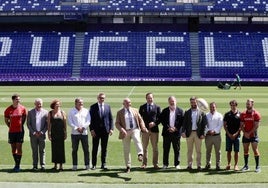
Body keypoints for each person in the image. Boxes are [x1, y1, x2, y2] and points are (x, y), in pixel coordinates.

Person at [115, 98, 148, 173]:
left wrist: (143, 127)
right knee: (126, 149)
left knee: (137, 139)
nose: (129, 104)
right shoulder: (120, 112)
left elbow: (140, 120)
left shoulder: (135, 110)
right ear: (123, 104)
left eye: (129, 102)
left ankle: (140, 154)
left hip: (134, 129)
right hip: (125, 132)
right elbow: (117, 123)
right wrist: (121, 129)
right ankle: (128, 166)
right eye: (127, 103)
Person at [181, 96, 207, 171]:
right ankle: (190, 165)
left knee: (198, 151)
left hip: (198, 134)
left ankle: (199, 165)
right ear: (190, 103)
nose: (193, 104)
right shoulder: (187, 112)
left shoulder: (202, 112)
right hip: (189, 134)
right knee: (189, 151)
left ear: (197, 102)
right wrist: (183, 132)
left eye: (194, 102)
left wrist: (203, 134)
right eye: (191, 102)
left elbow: (204, 124)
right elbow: (184, 124)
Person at [90, 93, 113, 170]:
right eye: (100, 98)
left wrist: (111, 128)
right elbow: (90, 120)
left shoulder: (107, 106)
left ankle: (103, 164)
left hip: (105, 131)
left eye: (103, 98)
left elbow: (111, 118)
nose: (101, 99)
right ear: (97, 98)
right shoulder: (93, 107)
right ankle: (94, 164)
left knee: (104, 148)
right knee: (95, 148)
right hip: (96, 131)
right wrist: (91, 130)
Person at [4, 94, 27, 172]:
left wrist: (20, 125)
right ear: (13, 100)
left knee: (19, 148)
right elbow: (6, 120)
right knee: (13, 149)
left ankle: (17, 165)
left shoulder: (23, 108)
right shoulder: (8, 110)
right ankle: (16, 163)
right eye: (17, 99)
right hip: (11, 132)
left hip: (20, 131)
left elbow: (24, 118)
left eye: (19, 99)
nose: (18, 100)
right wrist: (11, 126)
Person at [159, 96, 184, 169]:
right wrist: (168, 128)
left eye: (173, 101)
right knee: (166, 149)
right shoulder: (165, 110)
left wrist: (175, 128)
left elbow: (182, 122)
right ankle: (165, 164)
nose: (172, 102)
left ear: (176, 101)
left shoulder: (180, 111)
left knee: (177, 149)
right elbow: (162, 120)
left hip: (176, 133)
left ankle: (177, 164)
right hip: (167, 133)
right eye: (170, 101)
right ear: (168, 102)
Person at [139, 92, 161, 169]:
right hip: (145, 131)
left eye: (151, 98)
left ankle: (155, 164)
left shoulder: (157, 107)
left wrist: (154, 123)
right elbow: (139, 118)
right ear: (146, 99)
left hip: (154, 130)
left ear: (153, 98)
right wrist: (142, 127)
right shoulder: (142, 107)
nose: (150, 99)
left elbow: (160, 119)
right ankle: (144, 164)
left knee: (155, 148)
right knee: (144, 148)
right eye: (148, 98)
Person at [68, 98, 91, 171]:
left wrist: (83, 128)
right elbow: (69, 122)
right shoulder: (71, 111)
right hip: (74, 134)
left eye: (82, 103)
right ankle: (75, 165)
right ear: (75, 103)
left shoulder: (86, 111)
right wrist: (77, 128)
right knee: (74, 150)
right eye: (79, 103)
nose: (81, 104)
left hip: (84, 133)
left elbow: (88, 120)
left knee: (86, 150)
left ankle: (87, 165)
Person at [240, 98, 261, 173]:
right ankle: (246, 166)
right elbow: (241, 125)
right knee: (246, 150)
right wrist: (245, 133)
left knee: (255, 150)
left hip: (253, 135)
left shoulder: (256, 114)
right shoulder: (243, 114)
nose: (247, 105)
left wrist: (249, 133)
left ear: (252, 104)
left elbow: (256, 126)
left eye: (248, 104)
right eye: (247, 104)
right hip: (245, 135)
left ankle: (257, 166)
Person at [27, 98, 48, 171]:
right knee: (34, 151)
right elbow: (28, 124)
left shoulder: (46, 112)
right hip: (33, 135)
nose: (39, 105)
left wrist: (42, 132)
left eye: (40, 104)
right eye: (37, 104)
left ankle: (42, 165)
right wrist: (34, 132)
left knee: (42, 150)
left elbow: (47, 125)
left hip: (42, 135)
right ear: (35, 104)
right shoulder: (30, 112)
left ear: (42, 104)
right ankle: (35, 166)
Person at [47, 99, 67, 171]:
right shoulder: (50, 113)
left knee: (61, 149)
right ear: (53, 105)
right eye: (56, 104)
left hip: (61, 133)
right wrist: (48, 134)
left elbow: (65, 123)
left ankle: (61, 166)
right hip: (54, 133)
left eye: (59, 104)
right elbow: (49, 124)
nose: (58, 105)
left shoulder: (62, 112)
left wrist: (65, 132)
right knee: (54, 149)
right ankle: (55, 165)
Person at [204, 102, 223, 170]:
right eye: (211, 107)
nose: (212, 108)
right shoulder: (206, 115)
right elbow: (205, 125)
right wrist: (209, 131)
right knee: (208, 151)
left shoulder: (219, 115)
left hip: (217, 136)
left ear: (216, 107)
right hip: (208, 136)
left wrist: (214, 131)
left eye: (213, 107)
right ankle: (208, 164)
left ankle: (218, 165)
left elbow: (220, 125)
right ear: (209, 107)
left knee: (218, 151)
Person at [223, 100, 241, 171]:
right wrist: (229, 134)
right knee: (229, 151)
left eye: (234, 105)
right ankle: (229, 164)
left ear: (236, 105)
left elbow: (241, 126)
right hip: (228, 136)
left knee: (236, 151)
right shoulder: (227, 114)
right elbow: (224, 125)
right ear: (230, 106)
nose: (233, 106)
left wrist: (236, 134)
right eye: (231, 105)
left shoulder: (240, 114)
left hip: (237, 136)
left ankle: (236, 165)